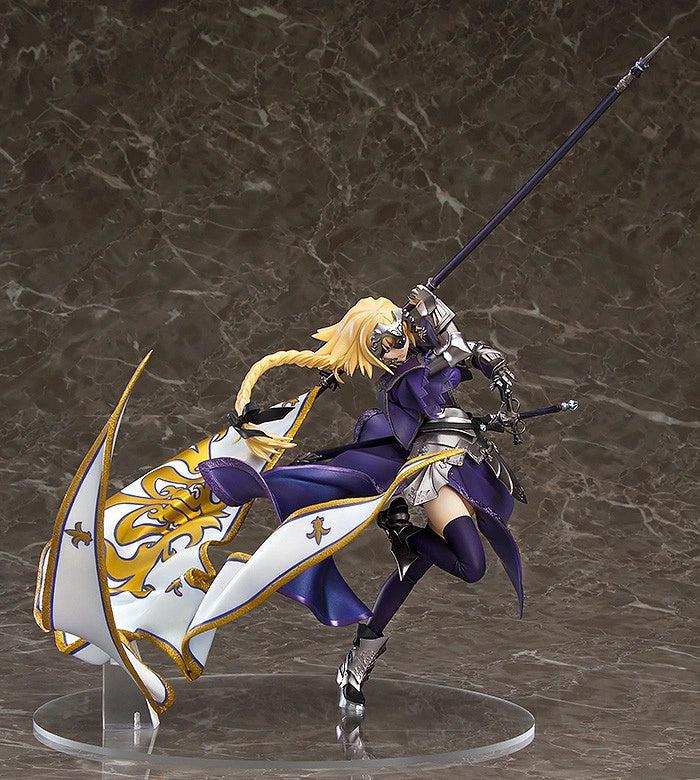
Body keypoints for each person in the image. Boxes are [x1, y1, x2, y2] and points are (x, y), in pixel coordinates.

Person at [199, 287, 525, 710]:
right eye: (382, 346)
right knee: (471, 565)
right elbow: (449, 357)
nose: (394, 347)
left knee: (415, 568)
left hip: (467, 459)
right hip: (435, 470)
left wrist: (491, 364)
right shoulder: (400, 382)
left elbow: (464, 350)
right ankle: (405, 534)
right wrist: (442, 322)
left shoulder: (419, 351)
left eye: (395, 336)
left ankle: (363, 650)